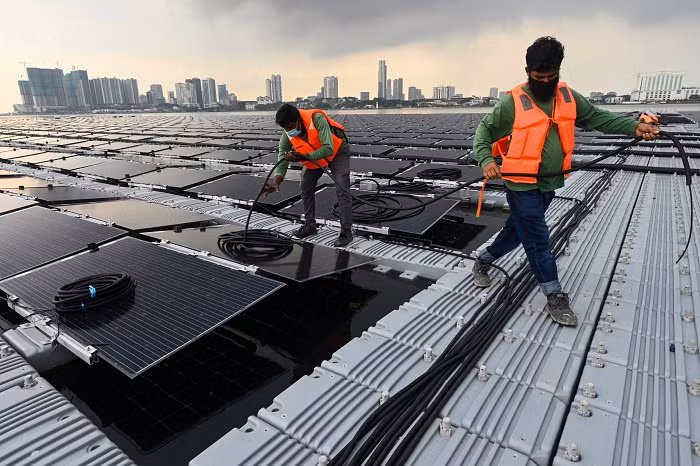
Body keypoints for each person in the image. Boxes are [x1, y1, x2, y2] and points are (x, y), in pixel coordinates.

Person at [471, 36, 660, 326]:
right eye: (539, 77)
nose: (545, 81)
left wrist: (635, 126)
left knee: (518, 231)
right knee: (538, 239)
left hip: (548, 183)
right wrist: (486, 161)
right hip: (520, 185)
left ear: (559, 70)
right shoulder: (513, 102)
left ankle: (484, 258)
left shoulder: (568, 97)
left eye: (551, 76)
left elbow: (599, 118)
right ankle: (554, 295)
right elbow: (484, 132)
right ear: (527, 71)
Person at [265, 103, 353, 247]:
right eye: (285, 129)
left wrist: (302, 157)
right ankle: (310, 226)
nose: (289, 131)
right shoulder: (288, 132)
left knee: (342, 187)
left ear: (298, 120)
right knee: (305, 185)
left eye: (290, 127)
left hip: (337, 150)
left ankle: (346, 232)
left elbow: (328, 149)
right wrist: (276, 181)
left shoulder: (317, 119)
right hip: (313, 155)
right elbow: (282, 156)